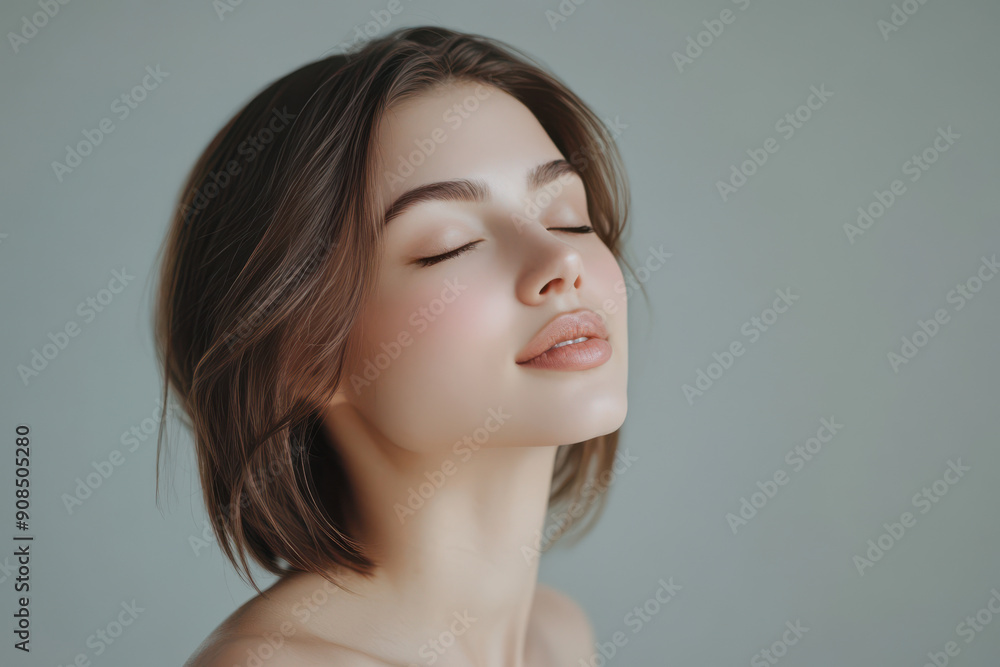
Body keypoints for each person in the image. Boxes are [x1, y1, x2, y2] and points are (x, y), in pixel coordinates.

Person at [153, 25, 634, 666]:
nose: (562, 257)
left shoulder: (559, 636)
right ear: (302, 356)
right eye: (449, 244)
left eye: (568, 215)